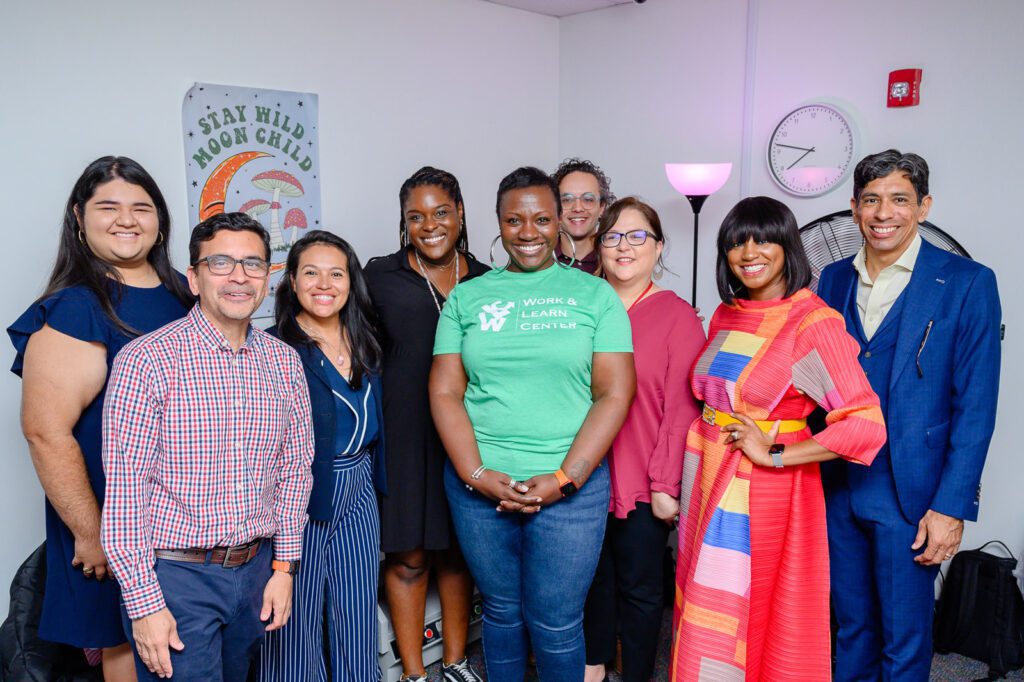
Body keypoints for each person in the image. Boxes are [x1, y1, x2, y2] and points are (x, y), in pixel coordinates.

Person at [430, 166, 636, 681]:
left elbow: (614, 392)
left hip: (572, 492)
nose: (528, 232)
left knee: (557, 623)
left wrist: (564, 479)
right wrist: (476, 474)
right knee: (501, 612)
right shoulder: (466, 298)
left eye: (542, 219)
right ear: (497, 224)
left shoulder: (594, 296)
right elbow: (445, 390)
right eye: (514, 220)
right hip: (479, 489)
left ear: (560, 221)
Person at [671, 196, 886, 680]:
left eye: (764, 238)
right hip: (708, 478)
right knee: (705, 604)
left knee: (746, 613)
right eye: (736, 242)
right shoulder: (728, 314)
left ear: (788, 246)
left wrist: (776, 452)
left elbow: (864, 423)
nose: (750, 251)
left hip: (759, 492)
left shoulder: (811, 323)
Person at [101, 212, 315, 681]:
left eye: (253, 264)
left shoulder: (283, 362)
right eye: (221, 263)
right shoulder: (147, 361)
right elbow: (124, 494)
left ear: (267, 278)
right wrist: (143, 605)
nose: (239, 277)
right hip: (177, 580)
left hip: (257, 569)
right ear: (194, 278)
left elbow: (295, 470)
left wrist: (284, 568)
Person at [817, 150, 1002, 681]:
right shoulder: (830, 280)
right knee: (851, 627)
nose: (883, 213)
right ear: (853, 208)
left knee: (904, 634)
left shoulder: (967, 282)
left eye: (899, 200)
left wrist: (951, 507)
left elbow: (976, 406)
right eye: (871, 200)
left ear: (923, 207)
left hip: (910, 491)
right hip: (837, 481)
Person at [8, 156, 193, 680]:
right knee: (137, 659)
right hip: (116, 527)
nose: (127, 219)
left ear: (160, 218)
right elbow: (46, 433)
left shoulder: (188, 292)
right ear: (78, 216)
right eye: (108, 206)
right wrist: (93, 534)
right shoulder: (77, 307)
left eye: (141, 207)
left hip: (188, 522)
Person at [364, 167, 488, 682]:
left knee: (458, 556)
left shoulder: (489, 280)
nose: (430, 225)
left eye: (441, 212)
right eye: (416, 216)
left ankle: (456, 662)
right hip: (406, 436)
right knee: (410, 558)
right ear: (403, 223)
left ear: (460, 213)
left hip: (470, 434)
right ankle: (415, 673)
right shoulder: (378, 278)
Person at [582, 197, 704, 682]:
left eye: (637, 236)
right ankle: (592, 670)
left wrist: (665, 483)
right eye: (612, 236)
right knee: (588, 581)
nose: (624, 246)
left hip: (642, 476)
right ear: (598, 248)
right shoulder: (580, 306)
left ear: (658, 247)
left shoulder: (677, 316)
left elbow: (681, 407)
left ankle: (634, 675)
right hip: (581, 472)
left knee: (639, 587)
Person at [259, 230, 387, 681]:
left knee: (356, 613)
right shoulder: (273, 349)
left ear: (351, 282)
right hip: (302, 494)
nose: (324, 284)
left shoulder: (365, 337)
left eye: (336, 273)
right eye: (310, 273)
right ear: (291, 282)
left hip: (360, 487)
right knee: (295, 617)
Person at [552, 158, 615, 274]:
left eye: (587, 199)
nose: (577, 208)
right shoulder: (541, 261)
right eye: (567, 200)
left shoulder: (616, 262)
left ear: (602, 207)